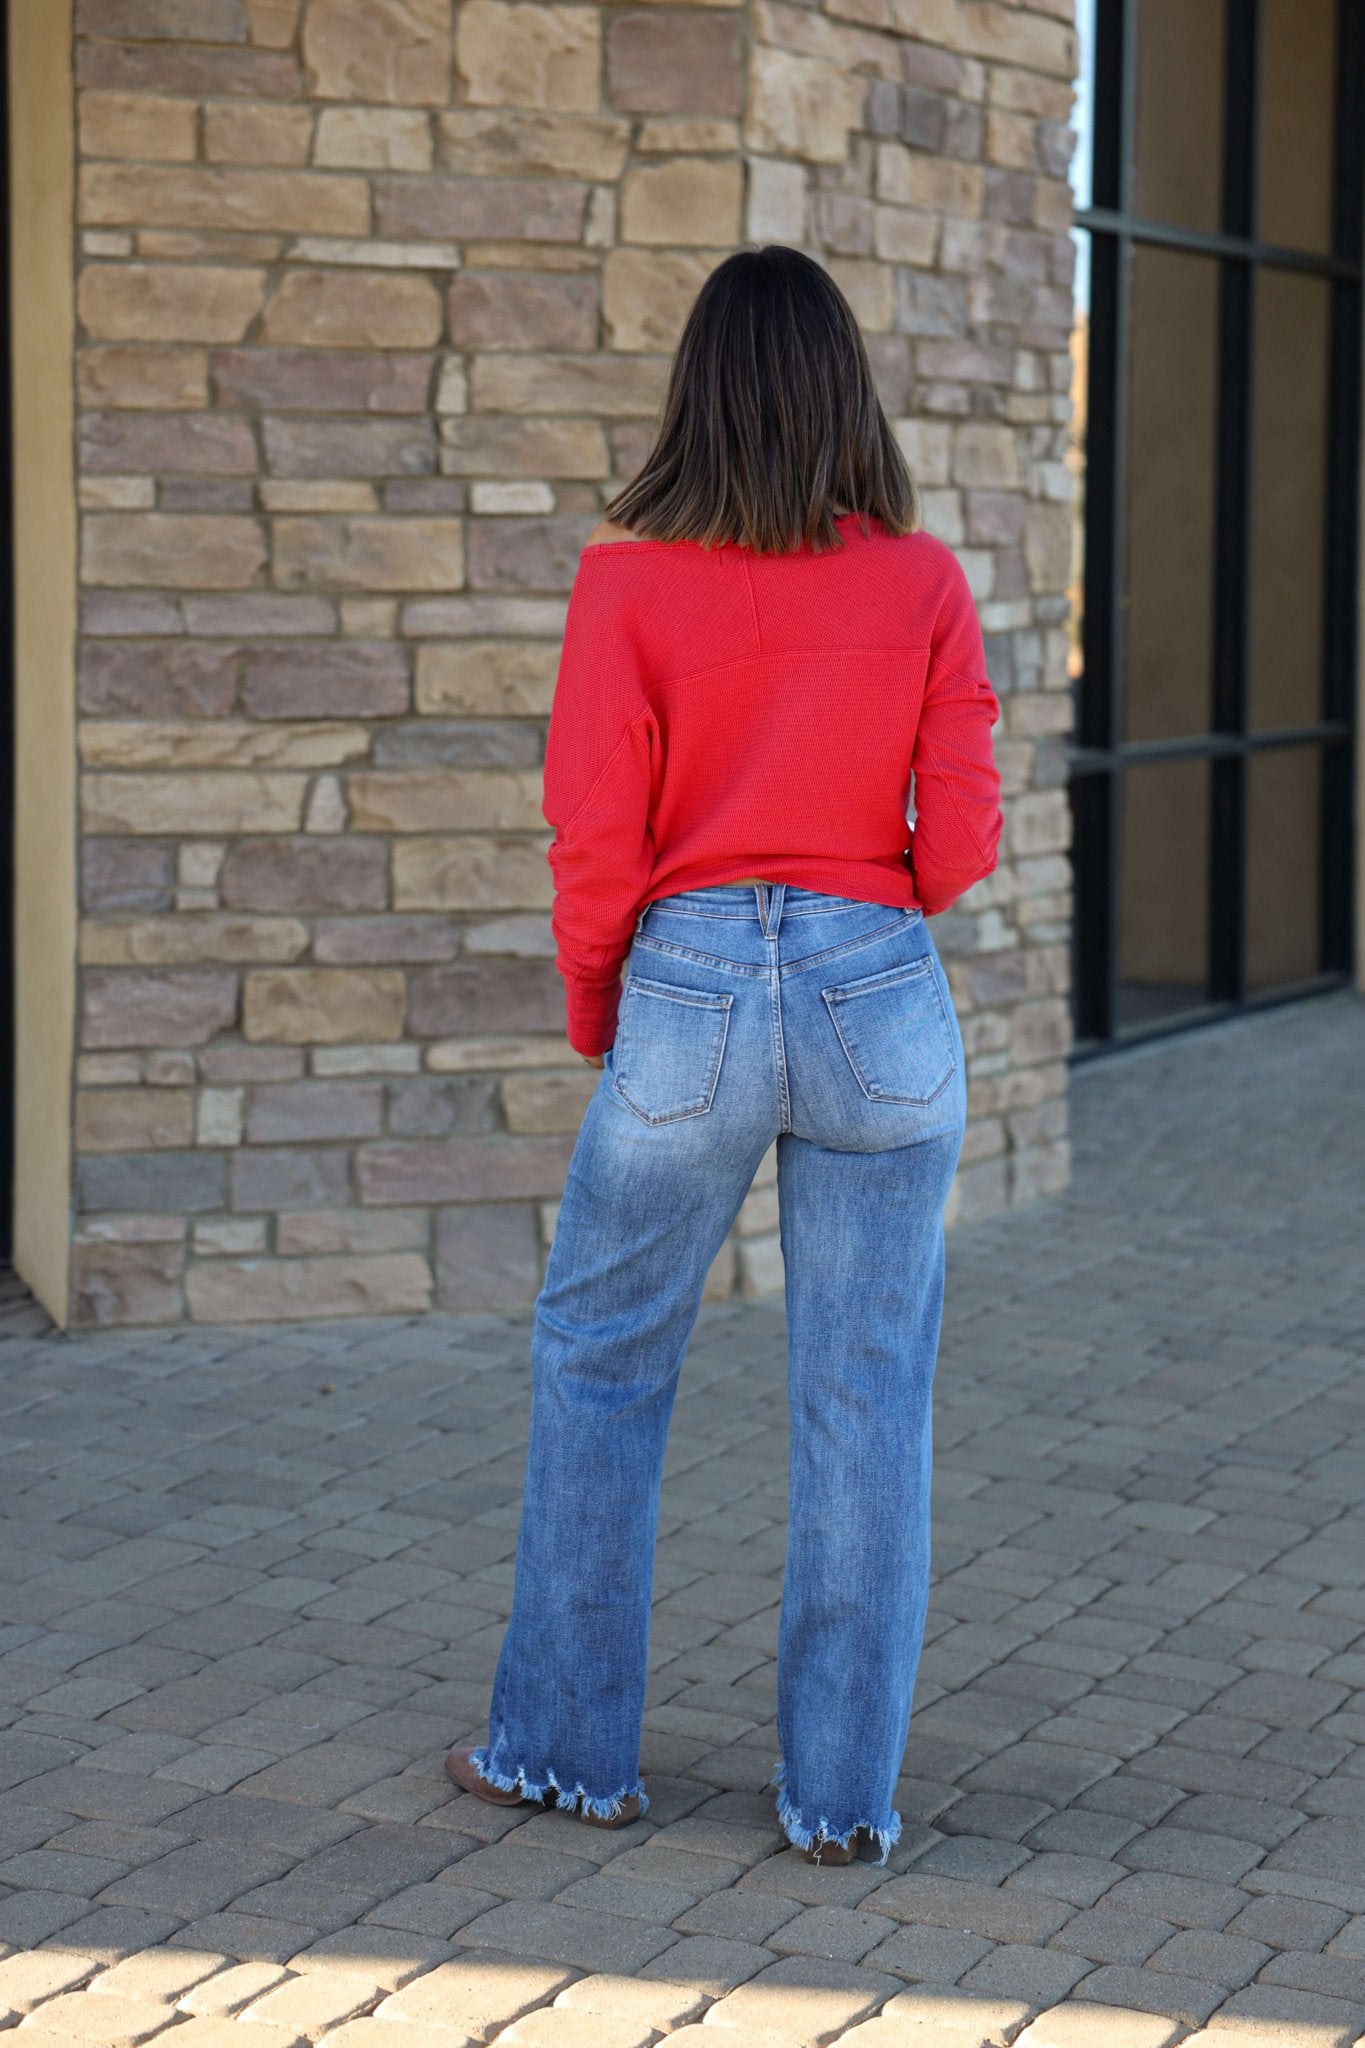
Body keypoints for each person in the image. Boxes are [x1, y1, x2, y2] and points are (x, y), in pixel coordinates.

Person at [445, 244, 1003, 1867]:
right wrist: (857, 911)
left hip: (685, 989)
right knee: (866, 1393)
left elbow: (592, 835)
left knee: (601, 1356)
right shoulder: (922, 582)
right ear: (845, 392)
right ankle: (839, 1800)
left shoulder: (624, 582)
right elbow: (959, 844)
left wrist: (600, 1013)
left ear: (696, 392)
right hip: (874, 987)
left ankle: (560, 1753)